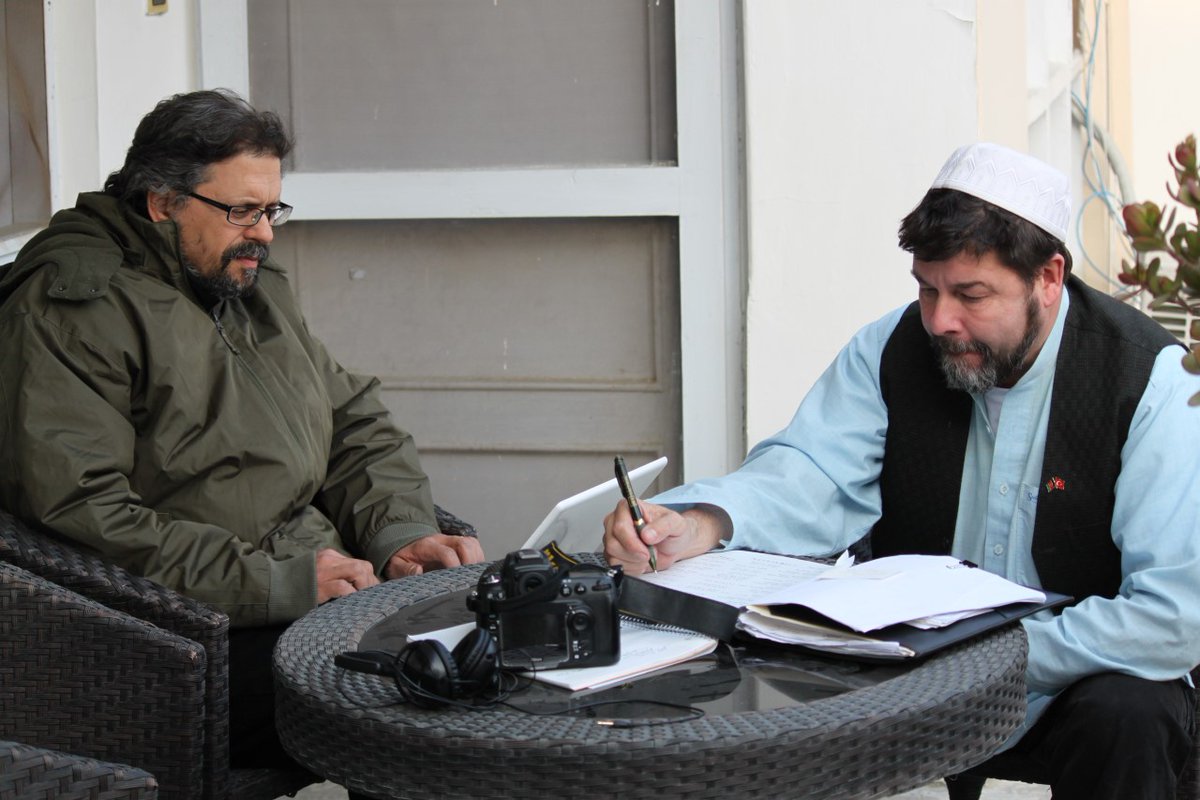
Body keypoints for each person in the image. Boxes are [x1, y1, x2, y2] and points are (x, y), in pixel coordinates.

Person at [604, 143, 1200, 799]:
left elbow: (1173, 615)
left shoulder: (1151, 381)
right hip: (906, 671)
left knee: (1133, 712)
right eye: (927, 289)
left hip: (1070, 678)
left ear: (1049, 278)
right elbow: (811, 474)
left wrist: (993, 661)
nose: (941, 320)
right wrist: (698, 523)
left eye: (971, 295)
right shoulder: (889, 350)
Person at [0, 89, 484, 768]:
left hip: (323, 582)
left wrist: (400, 532)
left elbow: (354, 420)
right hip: (183, 634)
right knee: (434, 707)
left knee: (497, 646)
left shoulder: (243, 279)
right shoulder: (74, 307)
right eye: (242, 211)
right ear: (162, 202)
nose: (264, 232)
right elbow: (83, 512)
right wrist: (279, 582)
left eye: (271, 209)